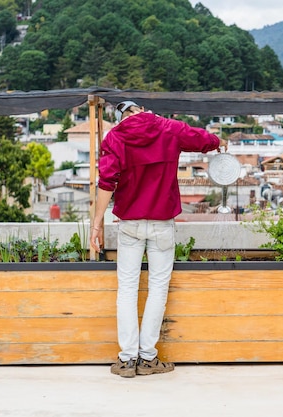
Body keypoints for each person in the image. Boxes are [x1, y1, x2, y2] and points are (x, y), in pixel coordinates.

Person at [90, 100, 227, 378]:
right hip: (163, 223)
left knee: (127, 289)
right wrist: (218, 142)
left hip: (129, 223)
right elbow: (199, 137)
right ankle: (148, 358)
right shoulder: (168, 128)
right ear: (141, 110)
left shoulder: (115, 137)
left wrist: (96, 225)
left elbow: (106, 182)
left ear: (120, 117)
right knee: (157, 288)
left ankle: (127, 360)